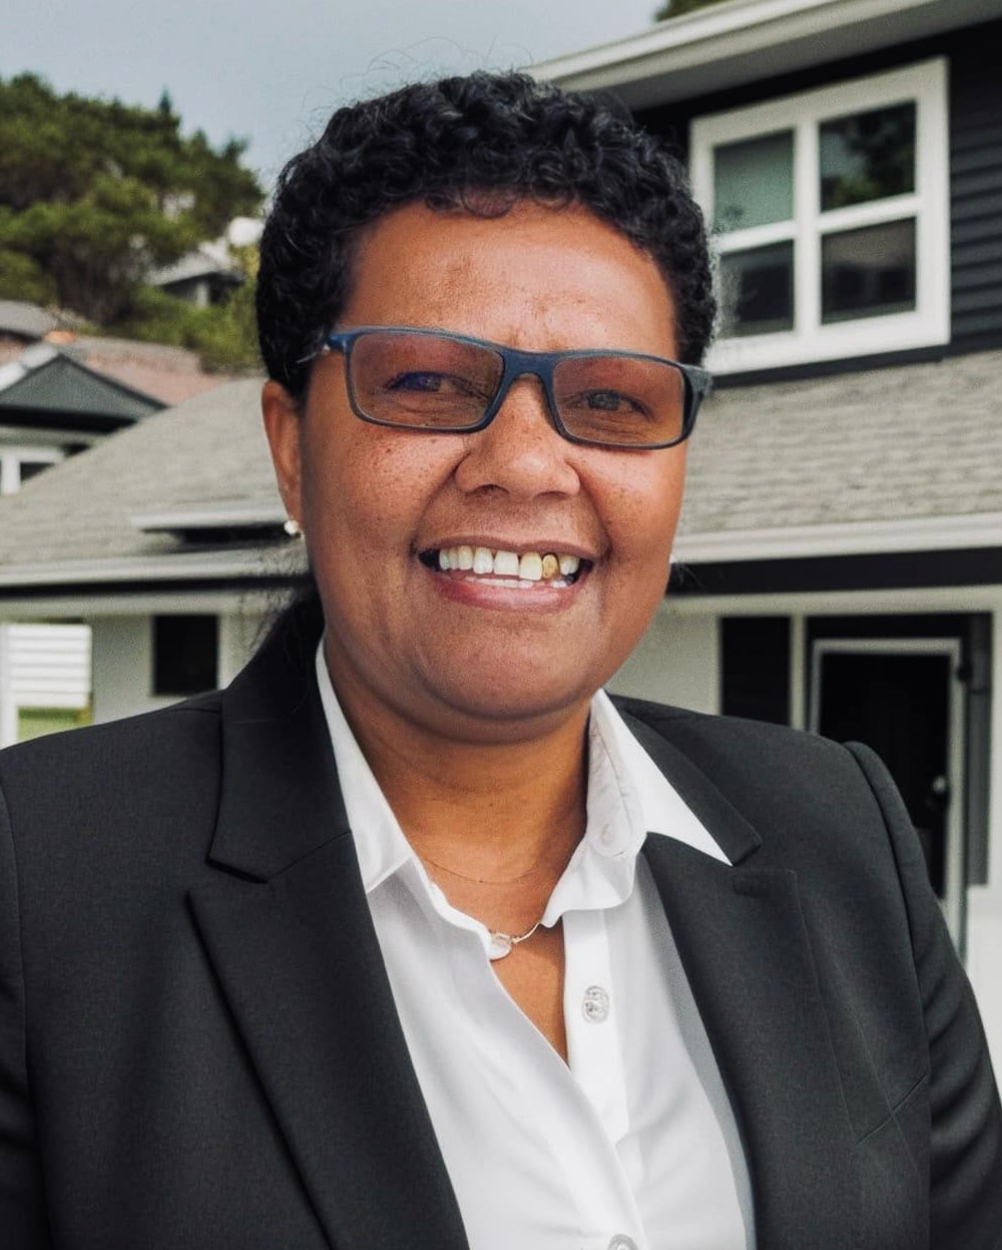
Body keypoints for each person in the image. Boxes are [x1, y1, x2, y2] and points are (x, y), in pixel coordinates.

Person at [0, 72, 1000, 1250]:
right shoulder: (36, 887)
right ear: (289, 447)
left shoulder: (847, 838)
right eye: (427, 381)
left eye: (614, 400)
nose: (526, 465)